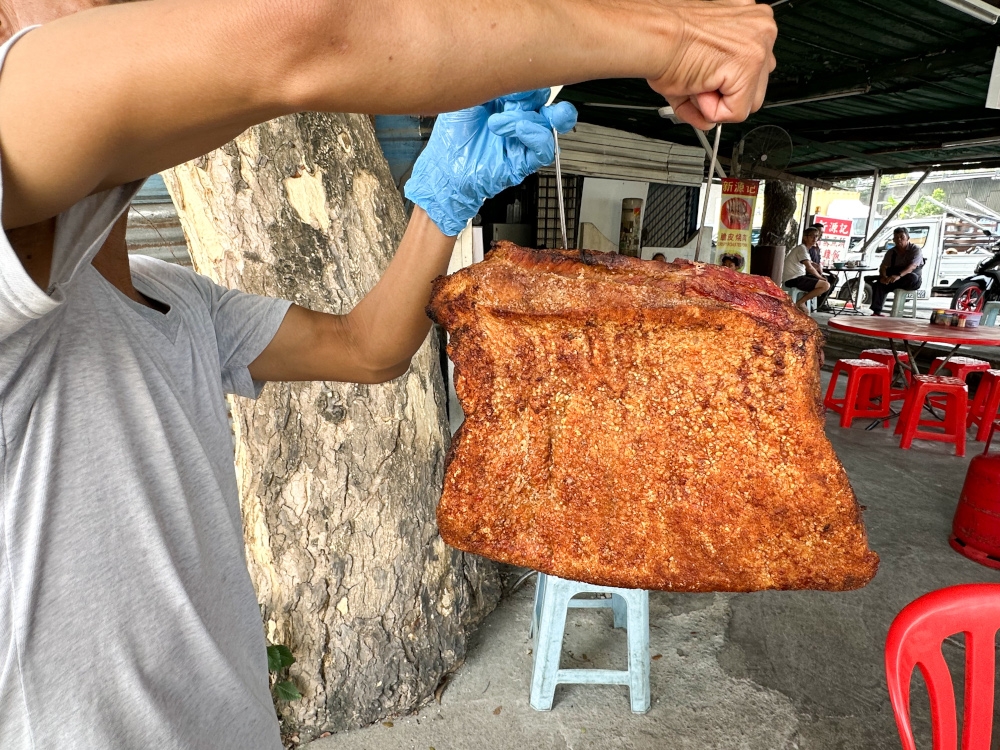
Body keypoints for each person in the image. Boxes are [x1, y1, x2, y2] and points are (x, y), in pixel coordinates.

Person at [0, 0, 776, 747]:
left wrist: (443, 202)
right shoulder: (14, 289)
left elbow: (366, 348)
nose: (127, 19)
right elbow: (297, 32)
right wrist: (675, 33)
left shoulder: (174, 297)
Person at [867, 227, 923, 316]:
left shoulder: (915, 249)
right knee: (878, 284)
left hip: (909, 280)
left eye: (902, 237)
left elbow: (912, 266)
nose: (899, 239)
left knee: (912, 277)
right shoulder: (891, 252)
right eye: (896, 237)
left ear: (908, 238)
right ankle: (876, 312)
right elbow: (883, 266)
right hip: (893, 280)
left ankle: (888, 281)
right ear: (893, 240)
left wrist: (898, 276)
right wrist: (884, 277)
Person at [782, 227, 830, 313]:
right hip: (793, 279)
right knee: (825, 285)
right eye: (812, 236)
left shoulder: (805, 249)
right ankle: (800, 303)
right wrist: (820, 277)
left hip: (798, 277)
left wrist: (818, 267)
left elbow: (811, 264)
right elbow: (809, 267)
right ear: (805, 237)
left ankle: (802, 301)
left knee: (823, 283)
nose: (814, 239)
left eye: (816, 236)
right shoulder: (802, 249)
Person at [806, 223, 837, 311]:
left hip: (816, 270)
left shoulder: (816, 247)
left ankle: (821, 301)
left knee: (834, 278)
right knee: (826, 280)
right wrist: (820, 275)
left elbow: (817, 262)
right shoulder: (807, 247)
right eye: (818, 233)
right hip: (808, 272)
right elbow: (809, 265)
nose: (820, 236)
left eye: (821, 233)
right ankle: (818, 303)